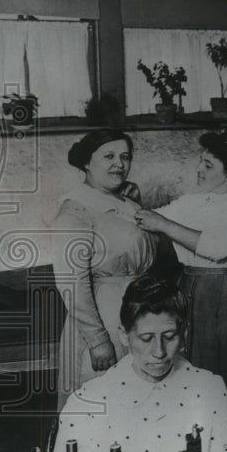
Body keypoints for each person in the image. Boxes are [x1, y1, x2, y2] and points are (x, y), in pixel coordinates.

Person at [134, 130, 227, 452]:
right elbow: (145, 220)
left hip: (222, 292)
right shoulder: (190, 201)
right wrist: (129, 202)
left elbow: (215, 248)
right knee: (184, 371)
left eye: (208, 164)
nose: (199, 168)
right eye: (200, 160)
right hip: (186, 289)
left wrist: (161, 223)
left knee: (226, 377)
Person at [50, 276, 227, 452]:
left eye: (169, 336)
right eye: (146, 339)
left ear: (184, 333)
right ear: (124, 335)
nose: (159, 351)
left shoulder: (209, 388)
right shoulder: (88, 402)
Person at [51, 129, 157, 406]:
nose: (119, 164)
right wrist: (98, 341)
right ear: (87, 162)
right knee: (104, 405)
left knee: (141, 405)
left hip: (138, 314)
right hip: (105, 320)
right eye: (109, 156)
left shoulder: (126, 203)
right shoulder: (75, 212)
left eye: (125, 157)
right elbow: (72, 284)